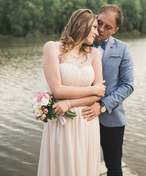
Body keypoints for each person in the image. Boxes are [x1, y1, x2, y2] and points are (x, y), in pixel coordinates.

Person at [37, 9, 106, 176]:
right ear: (81, 25)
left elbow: (100, 94)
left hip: (87, 119)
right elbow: (58, 90)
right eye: (95, 27)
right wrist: (91, 90)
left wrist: (70, 102)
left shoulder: (94, 54)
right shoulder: (52, 48)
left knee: (85, 168)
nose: (98, 32)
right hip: (64, 121)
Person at [82, 4, 134, 176]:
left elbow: (127, 85)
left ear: (115, 30)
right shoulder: (80, 44)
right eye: (99, 23)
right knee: (81, 164)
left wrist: (102, 105)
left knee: (114, 168)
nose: (101, 29)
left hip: (112, 119)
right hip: (82, 116)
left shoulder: (123, 49)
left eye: (108, 27)